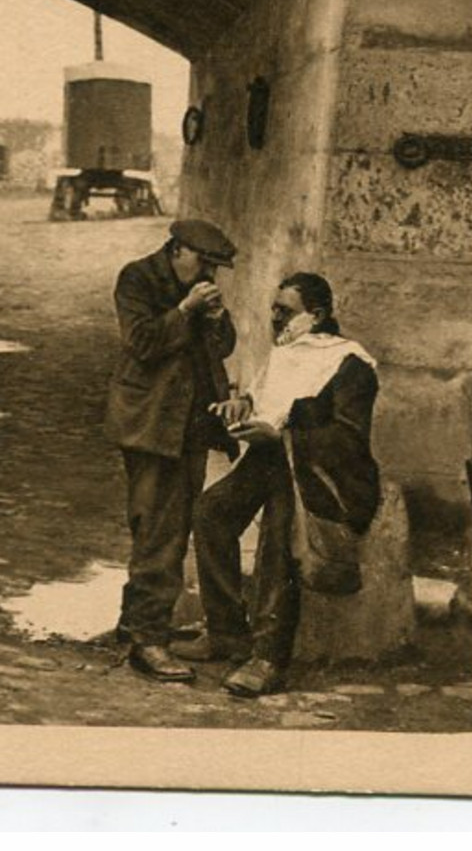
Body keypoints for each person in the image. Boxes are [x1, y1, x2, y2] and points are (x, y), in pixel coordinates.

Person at [175, 271, 380, 697]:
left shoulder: (351, 363)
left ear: (317, 315)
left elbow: (348, 437)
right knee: (211, 512)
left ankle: (268, 657)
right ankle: (227, 631)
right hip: (273, 457)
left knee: (278, 534)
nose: (274, 319)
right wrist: (240, 404)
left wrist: (285, 433)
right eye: (273, 310)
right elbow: (263, 398)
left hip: (321, 473)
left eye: (284, 312)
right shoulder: (285, 352)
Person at [106, 218, 239, 683]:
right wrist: (185, 309)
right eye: (204, 262)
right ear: (178, 250)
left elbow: (221, 348)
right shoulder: (137, 278)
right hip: (151, 423)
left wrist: (218, 320)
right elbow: (142, 344)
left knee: (168, 526)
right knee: (159, 530)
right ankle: (149, 642)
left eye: (215, 268)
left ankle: (134, 623)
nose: (211, 276)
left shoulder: (200, 286)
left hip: (190, 425)